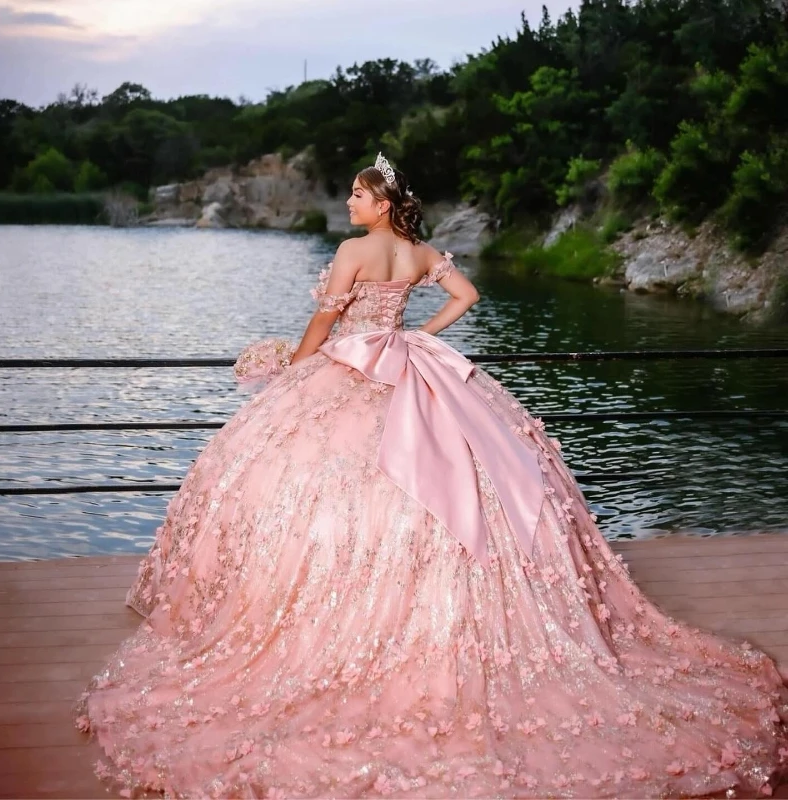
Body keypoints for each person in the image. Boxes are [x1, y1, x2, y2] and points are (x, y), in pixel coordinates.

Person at [74, 153, 787, 799]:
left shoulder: (355, 250)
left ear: (382, 202)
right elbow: (467, 296)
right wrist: (416, 338)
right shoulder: (416, 252)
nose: (350, 202)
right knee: (467, 471)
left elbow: (324, 325)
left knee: (300, 479)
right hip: (408, 363)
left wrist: (295, 363)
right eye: (353, 193)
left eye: (358, 193)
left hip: (350, 369)